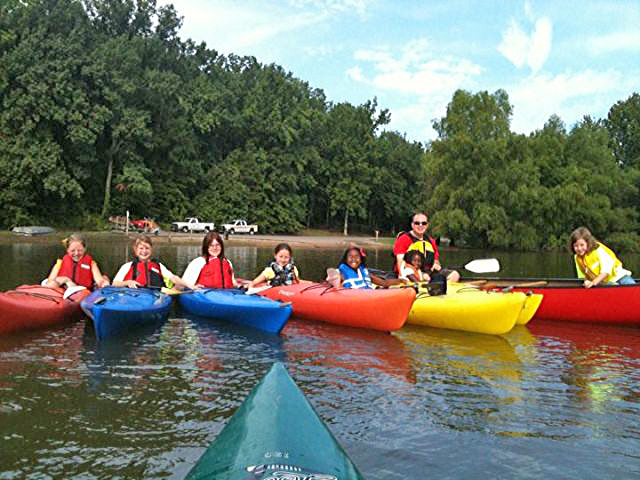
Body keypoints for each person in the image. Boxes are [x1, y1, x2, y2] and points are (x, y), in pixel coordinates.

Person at [393, 212, 460, 283]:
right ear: (412, 225)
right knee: (424, 277)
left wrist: (436, 265)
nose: (420, 225)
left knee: (454, 275)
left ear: (427, 225)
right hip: (410, 272)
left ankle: (444, 289)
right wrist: (414, 275)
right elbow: (400, 264)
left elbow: (436, 261)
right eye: (417, 223)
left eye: (423, 223)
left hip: (428, 272)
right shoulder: (404, 239)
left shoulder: (430, 241)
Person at [112, 235, 195, 290]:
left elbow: (173, 278)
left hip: (155, 297)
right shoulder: (127, 266)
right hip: (132, 297)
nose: (144, 251)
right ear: (135, 250)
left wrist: (191, 286)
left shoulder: (158, 266)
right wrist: (127, 282)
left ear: (151, 250)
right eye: (141, 248)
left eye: (147, 248)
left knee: (179, 286)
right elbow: (115, 284)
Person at [570, 226, 635, 288]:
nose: (579, 248)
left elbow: (606, 272)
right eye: (576, 246)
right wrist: (586, 281)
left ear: (588, 243)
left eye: (582, 245)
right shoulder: (577, 258)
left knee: (633, 287)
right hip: (604, 283)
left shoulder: (598, 250)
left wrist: (593, 283)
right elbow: (584, 275)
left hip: (619, 277)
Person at [335, 245, 403, 289]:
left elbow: (384, 283)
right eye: (350, 256)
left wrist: (401, 281)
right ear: (345, 259)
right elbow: (332, 275)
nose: (354, 259)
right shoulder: (341, 273)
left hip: (368, 299)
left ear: (361, 260)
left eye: (357, 256)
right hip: (353, 301)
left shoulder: (365, 273)